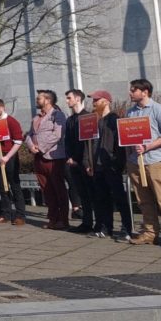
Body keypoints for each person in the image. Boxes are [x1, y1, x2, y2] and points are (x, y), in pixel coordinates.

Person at [125, 79, 161, 249]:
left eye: (133, 90)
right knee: (143, 200)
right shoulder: (130, 113)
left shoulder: (160, 111)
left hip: (155, 161)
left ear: (145, 91)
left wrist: (147, 146)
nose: (130, 93)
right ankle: (150, 233)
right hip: (136, 162)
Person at [86, 90, 133, 241]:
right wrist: (89, 162)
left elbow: (121, 145)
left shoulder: (115, 120)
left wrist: (117, 163)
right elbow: (91, 144)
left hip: (111, 166)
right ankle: (106, 227)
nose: (94, 103)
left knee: (119, 198)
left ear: (106, 101)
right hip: (98, 166)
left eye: (96, 100)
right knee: (102, 198)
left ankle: (127, 227)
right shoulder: (97, 121)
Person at [24, 90, 69, 230]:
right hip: (38, 158)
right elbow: (29, 134)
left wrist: (41, 147)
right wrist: (31, 146)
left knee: (58, 188)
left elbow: (58, 134)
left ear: (48, 100)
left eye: (39, 99)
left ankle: (63, 220)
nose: (37, 101)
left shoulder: (58, 115)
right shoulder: (36, 118)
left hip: (54, 157)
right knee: (46, 190)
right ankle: (52, 218)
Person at [0, 99, 26, 225]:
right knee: (2, 186)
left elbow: (18, 141)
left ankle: (20, 215)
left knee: (14, 186)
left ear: (2, 107)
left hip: (9, 157)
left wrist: (7, 157)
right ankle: (6, 214)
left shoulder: (11, 121)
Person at [64, 89, 95, 233]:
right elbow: (68, 141)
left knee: (91, 193)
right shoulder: (70, 120)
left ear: (77, 99)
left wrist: (82, 160)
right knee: (81, 193)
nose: (67, 100)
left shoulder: (89, 117)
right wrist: (69, 157)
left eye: (69, 98)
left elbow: (89, 142)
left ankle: (97, 222)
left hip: (85, 162)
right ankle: (86, 222)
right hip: (73, 162)